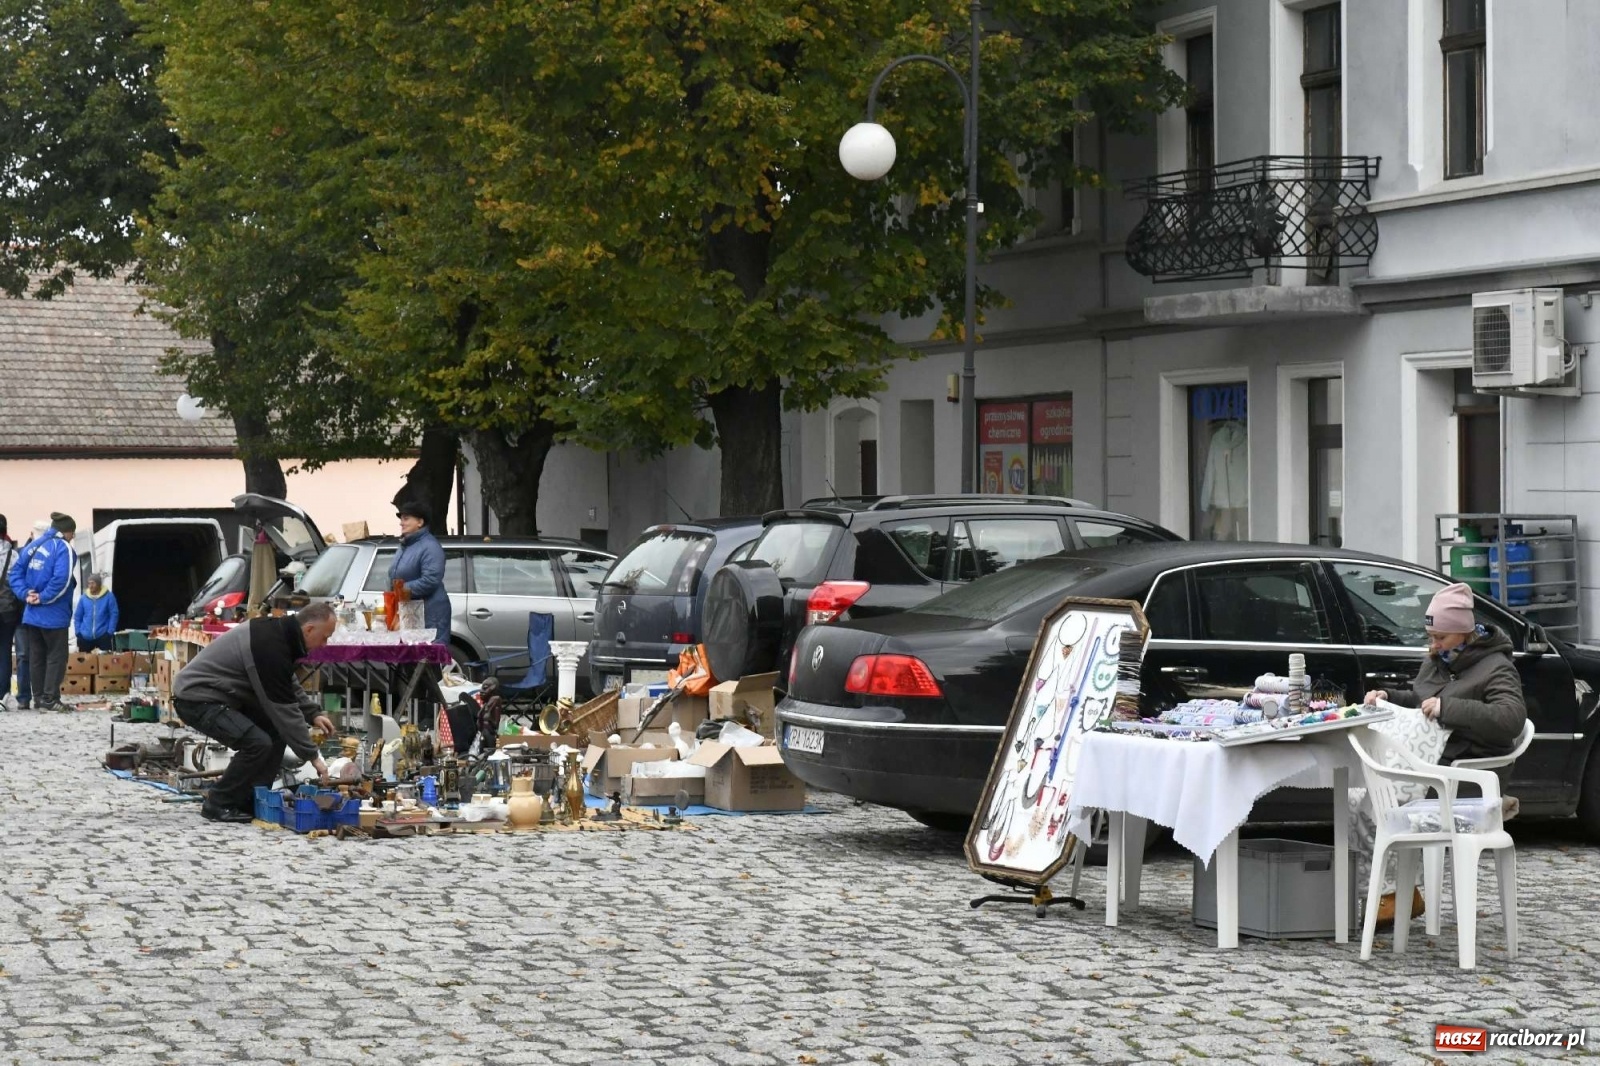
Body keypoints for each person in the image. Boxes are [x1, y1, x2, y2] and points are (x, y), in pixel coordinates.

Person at [1356, 580, 1528, 926]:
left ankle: (1393, 896)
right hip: (1433, 765)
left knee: (1382, 802)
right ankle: (1395, 894)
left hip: (1467, 775)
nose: (1433, 645)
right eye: (1430, 637)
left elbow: (1510, 719)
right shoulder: (1438, 660)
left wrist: (1449, 708)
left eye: (1441, 638)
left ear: (1465, 634)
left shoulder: (1496, 667)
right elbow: (1424, 702)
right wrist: (1389, 696)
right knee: (1364, 798)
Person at [172, 602, 338, 823]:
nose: (325, 644)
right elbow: (284, 710)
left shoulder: (279, 635)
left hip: (219, 696)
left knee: (274, 734)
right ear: (308, 629)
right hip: (196, 699)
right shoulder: (269, 644)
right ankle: (218, 803)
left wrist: (312, 713)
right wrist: (313, 756)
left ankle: (254, 799)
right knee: (256, 743)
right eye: (325, 637)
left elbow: (285, 680)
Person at [7, 513, 78, 711]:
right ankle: (50, 698)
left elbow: (15, 574)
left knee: (36, 657)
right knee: (56, 656)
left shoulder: (33, 546)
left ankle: (38, 698)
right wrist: (43, 597)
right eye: (72, 534)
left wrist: (25, 594)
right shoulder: (62, 546)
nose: (72, 538)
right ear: (68, 532)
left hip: (31, 614)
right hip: (53, 614)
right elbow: (61, 580)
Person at [388, 500, 450, 636]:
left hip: (430, 613)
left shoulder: (430, 546)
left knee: (428, 655)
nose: (401, 522)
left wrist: (400, 589)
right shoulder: (406, 545)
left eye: (406, 518)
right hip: (410, 612)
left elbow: (431, 580)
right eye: (401, 519)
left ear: (420, 522)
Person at [9, 519, 49, 710]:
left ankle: (38, 696)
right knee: (26, 655)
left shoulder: (53, 553)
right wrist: (25, 594)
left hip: (40, 612)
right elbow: (14, 581)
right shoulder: (20, 556)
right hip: (23, 613)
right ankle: (25, 696)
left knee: (36, 655)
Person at [0, 516, 20, 711]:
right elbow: (19, 583)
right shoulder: (13, 556)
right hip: (7, 611)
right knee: (4, 651)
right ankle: (3, 694)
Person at [73, 573, 120, 653]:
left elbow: (114, 614)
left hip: (103, 635)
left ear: (98, 584)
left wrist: (110, 631)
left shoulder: (109, 596)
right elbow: (77, 616)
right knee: (84, 664)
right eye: (89, 583)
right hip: (85, 636)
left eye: (93, 583)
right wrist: (78, 632)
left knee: (104, 663)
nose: (90, 586)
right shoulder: (84, 598)